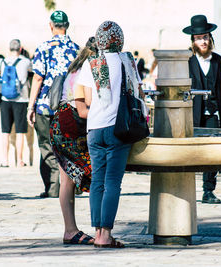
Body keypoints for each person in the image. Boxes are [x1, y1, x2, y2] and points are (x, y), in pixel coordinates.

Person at [77, 21, 143, 248]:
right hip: (117, 128)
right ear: (120, 39)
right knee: (113, 182)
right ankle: (106, 235)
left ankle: (97, 233)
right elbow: (138, 92)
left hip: (94, 128)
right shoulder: (127, 61)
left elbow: (87, 100)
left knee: (97, 181)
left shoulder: (91, 63)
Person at [49, 37, 97, 245]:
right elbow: (85, 108)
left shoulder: (75, 66)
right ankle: (74, 230)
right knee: (90, 175)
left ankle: (70, 229)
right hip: (69, 127)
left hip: (60, 124)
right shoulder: (88, 69)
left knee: (66, 180)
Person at [27, 10, 79, 198]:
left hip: (45, 106)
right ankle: (62, 186)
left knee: (46, 146)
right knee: (65, 145)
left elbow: (38, 78)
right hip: (68, 105)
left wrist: (30, 106)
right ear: (67, 25)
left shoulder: (43, 47)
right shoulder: (76, 49)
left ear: (51, 26)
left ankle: (54, 187)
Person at [183, 14, 221, 204]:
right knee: (192, 152)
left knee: (212, 151)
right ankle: (185, 189)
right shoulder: (187, 60)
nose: (203, 41)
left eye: (205, 37)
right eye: (199, 38)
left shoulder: (217, 60)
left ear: (210, 38)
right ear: (193, 40)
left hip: (213, 112)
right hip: (193, 113)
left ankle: (208, 191)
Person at [0, 39, 32, 167]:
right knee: (20, 132)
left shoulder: (2, 62)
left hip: (5, 100)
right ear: (21, 48)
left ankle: (5, 160)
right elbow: (31, 71)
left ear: (9, 48)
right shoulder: (25, 61)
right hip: (21, 100)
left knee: (5, 131)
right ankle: (20, 160)